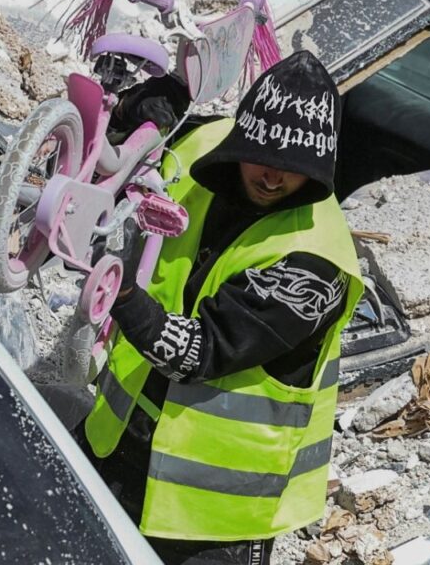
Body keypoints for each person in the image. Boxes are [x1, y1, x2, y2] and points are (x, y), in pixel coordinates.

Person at [79, 51, 365, 565]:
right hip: (120, 441)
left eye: (291, 169)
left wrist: (118, 290)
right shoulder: (201, 145)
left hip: (214, 513)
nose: (273, 179)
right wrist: (133, 110)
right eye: (262, 158)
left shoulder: (315, 264)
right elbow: (114, 152)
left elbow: (197, 352)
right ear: (242, 139)